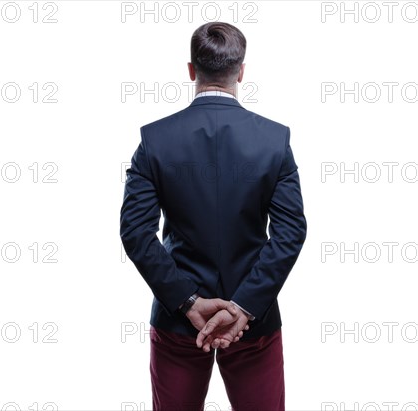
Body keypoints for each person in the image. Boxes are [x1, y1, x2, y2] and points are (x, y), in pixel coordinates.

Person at [120, 21, 307, 411]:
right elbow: (290, 233)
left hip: (178, 320)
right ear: (241, 71)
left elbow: (136, 232)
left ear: (191, 70)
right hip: (253, 320)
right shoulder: (275, 141)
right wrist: (242, 306)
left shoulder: (154, 141)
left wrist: (187, 302)